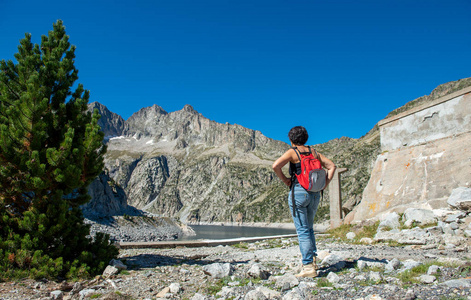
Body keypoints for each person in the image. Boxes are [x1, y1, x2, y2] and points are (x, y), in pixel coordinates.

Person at [272, 126, 336, 278]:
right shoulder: (314, 152)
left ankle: (308, 267)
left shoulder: (292, 152)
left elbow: (275, 166)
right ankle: (312, 262)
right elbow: (332, 166)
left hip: (299, 192)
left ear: (291, 139)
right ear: (306, 138)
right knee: (309, 228)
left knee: (302, 231)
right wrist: (325, 184)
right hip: (315, 194)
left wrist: (286, 180)